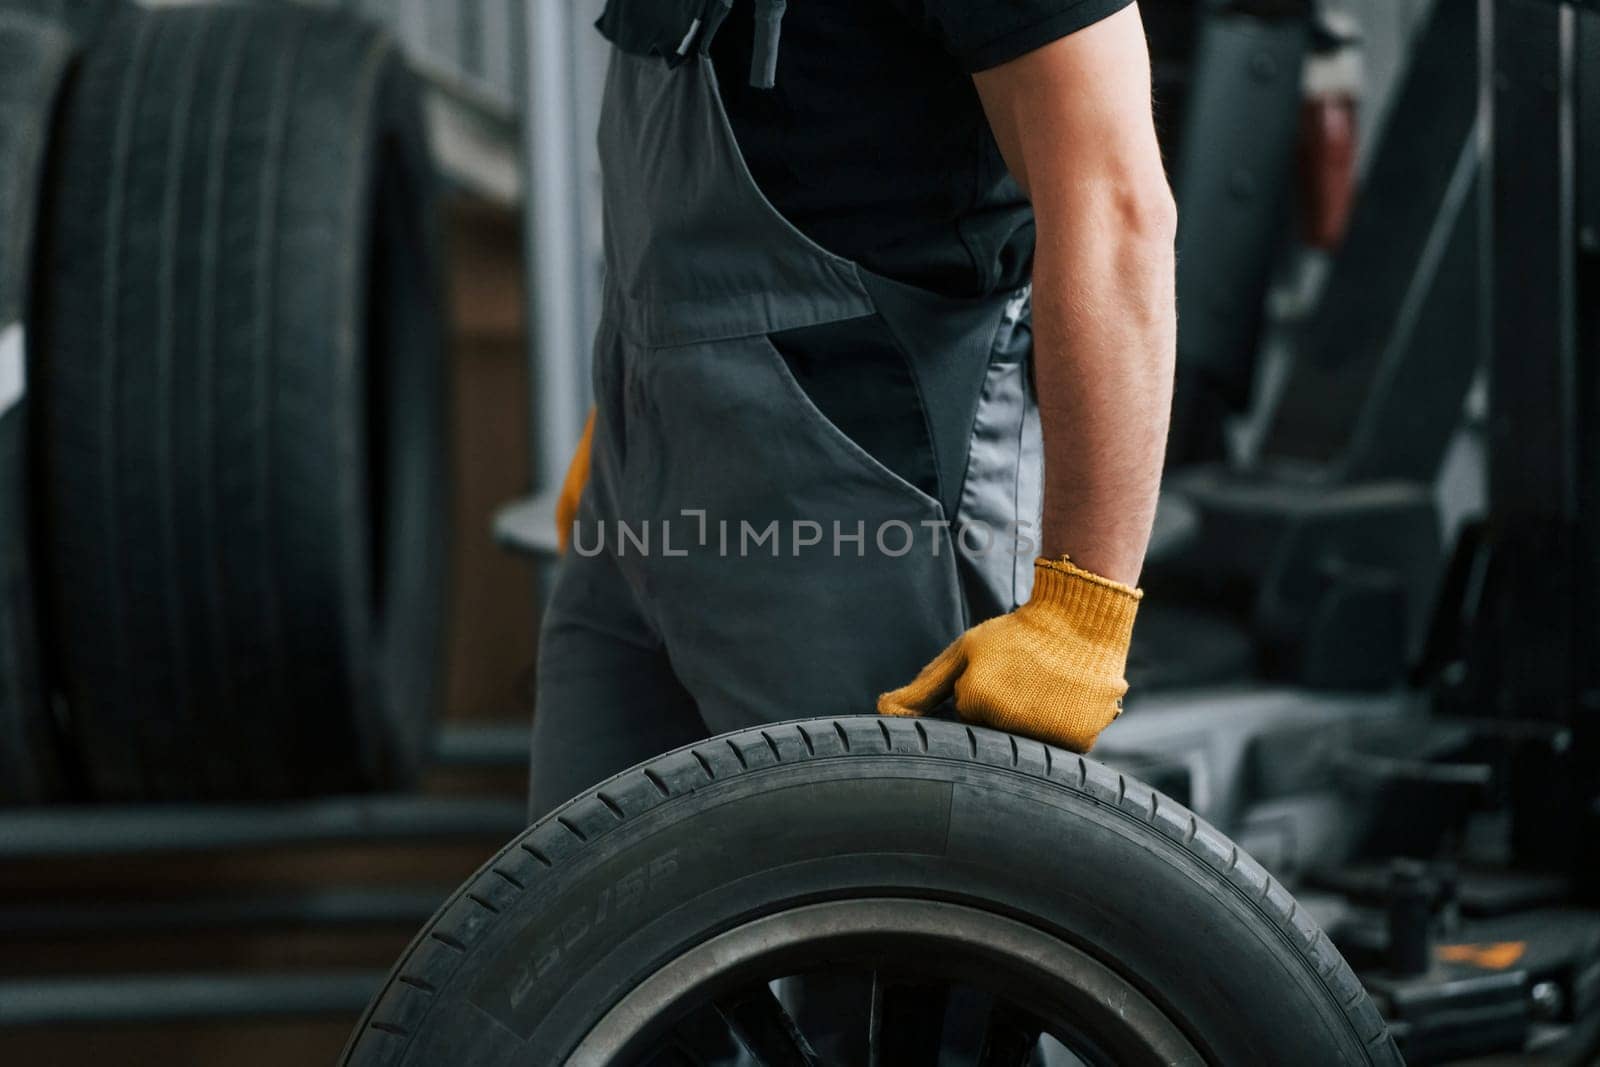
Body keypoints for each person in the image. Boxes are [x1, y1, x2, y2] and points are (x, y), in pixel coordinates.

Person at [530, 0, 1176, 819]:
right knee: (574, 923)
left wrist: (1083, 618)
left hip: (860, 511)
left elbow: (1116, 209)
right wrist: (644, 411)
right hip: (642, 507)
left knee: (880, 921)